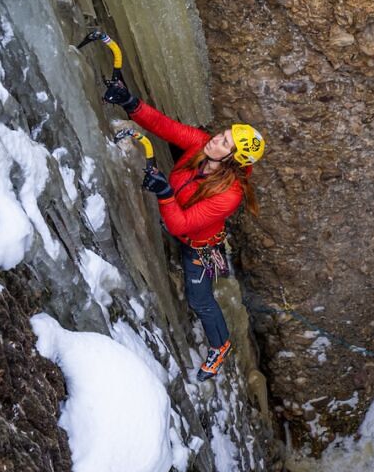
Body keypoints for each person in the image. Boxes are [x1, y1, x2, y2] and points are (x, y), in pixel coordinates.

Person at [103, 77, 265, 382]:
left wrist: (165, 194)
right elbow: (164, 126)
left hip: (200, 246)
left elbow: (181, 223)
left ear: (232, 160)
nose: (216, 139)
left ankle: (220, 345)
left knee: (200, 300)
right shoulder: (201, 147)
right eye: (223, 134)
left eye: (225, 143)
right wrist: (130, 103)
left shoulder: (229, 195)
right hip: (182, 228)